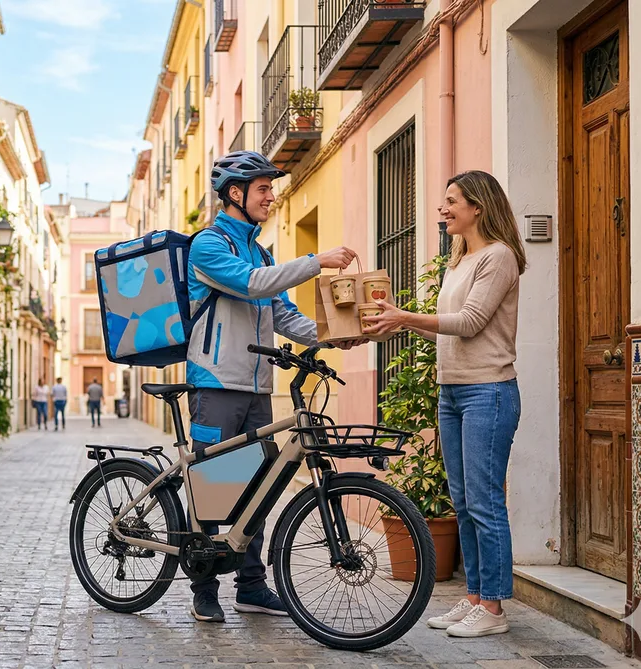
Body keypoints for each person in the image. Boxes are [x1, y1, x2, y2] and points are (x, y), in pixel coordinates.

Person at [185, 150, 359, 623]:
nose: (271, 196)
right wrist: (315, 261)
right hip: (216, 383)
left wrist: (334, 335)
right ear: (235, 194)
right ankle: (204, 587)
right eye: (263, 188)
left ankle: (252, 585)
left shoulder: (260, 250)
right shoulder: (208, 245)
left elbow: (281, 313)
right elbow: (252, 284)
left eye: (270, 187)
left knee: (258, 488)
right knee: (214, 485)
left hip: (257, 387)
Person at [363, 170, 525, 638]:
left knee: (484, 501)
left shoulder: (498, 257)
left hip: (488, 391)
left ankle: (493, 609)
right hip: (453, 391)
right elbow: (446, 323)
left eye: (452, 200)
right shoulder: (460, 259)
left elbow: (471, 322)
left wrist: (405, 316)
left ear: (478, 206)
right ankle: (474, 598)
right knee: (462, 499)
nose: (443, 208)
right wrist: (399, 322)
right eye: (444, 200)